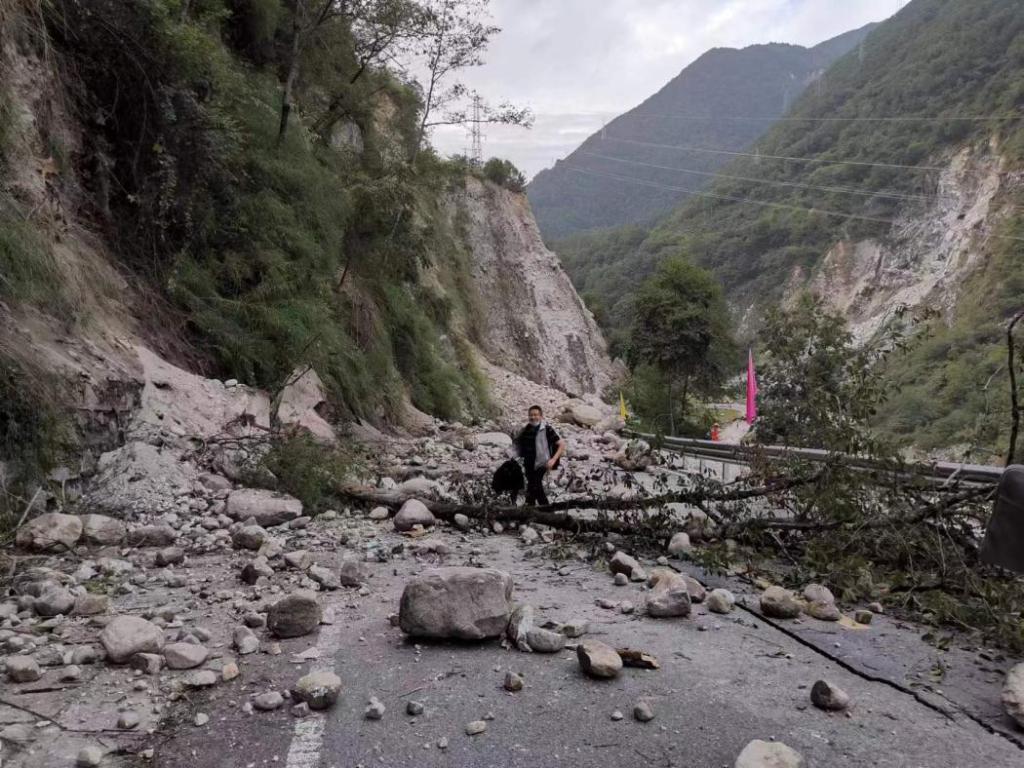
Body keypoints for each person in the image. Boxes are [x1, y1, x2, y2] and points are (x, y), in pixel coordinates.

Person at [514, 405, 566, 506]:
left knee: (536, 485)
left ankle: (547, 510)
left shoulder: (547, 429)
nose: (533, 417)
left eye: (536, 415)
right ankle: (530, 507)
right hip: (528, 464)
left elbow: (562, 444)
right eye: (531, 415)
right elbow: (518, 445)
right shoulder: (525, 430)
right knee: (531, 486)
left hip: (542, 463)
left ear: (541, 416)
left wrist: (553, 460)